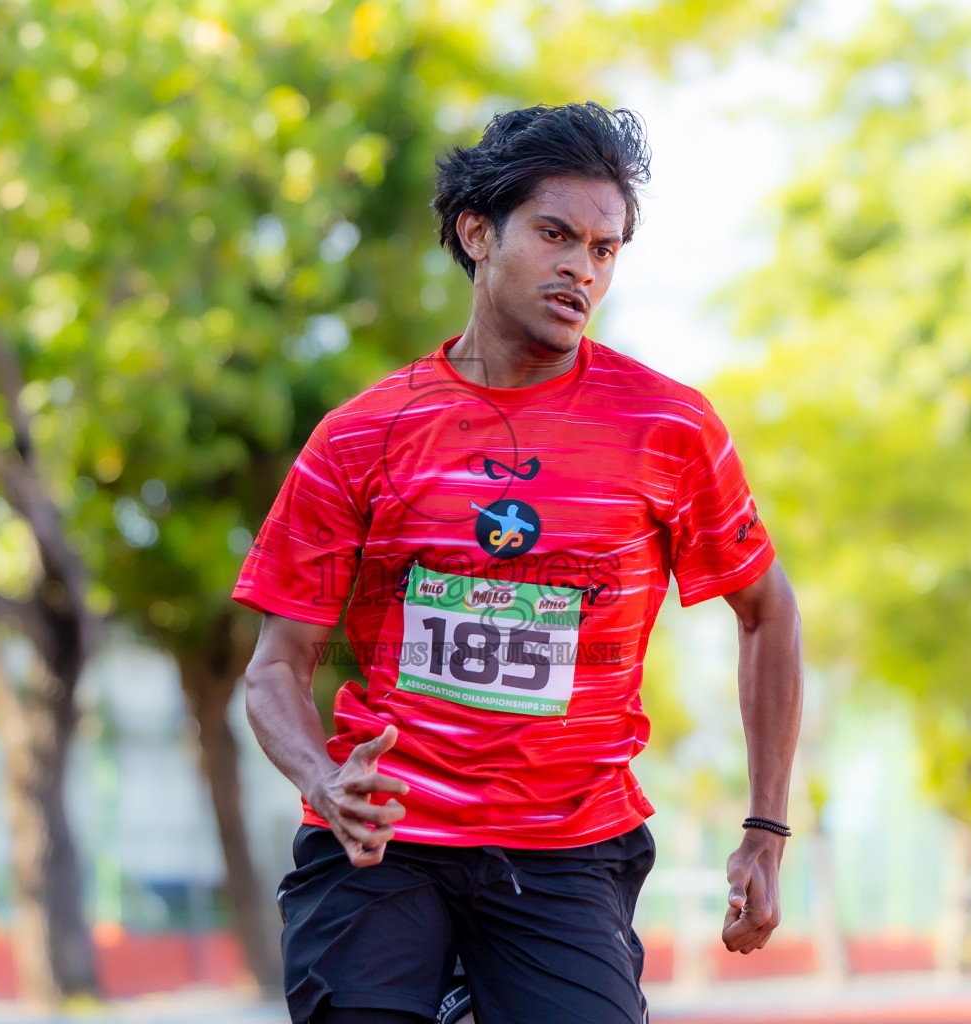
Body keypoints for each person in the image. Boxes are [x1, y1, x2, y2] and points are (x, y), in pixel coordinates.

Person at [235, 101, 802, 1024]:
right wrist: (322, 781)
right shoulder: (362, 435)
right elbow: (275, 667)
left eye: (605, 249)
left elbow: (767, 613)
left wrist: (765, 830)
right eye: (555, 234)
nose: (582, 266)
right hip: (386, 840)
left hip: (567, 846)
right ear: (477, 233)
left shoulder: (666, 429)